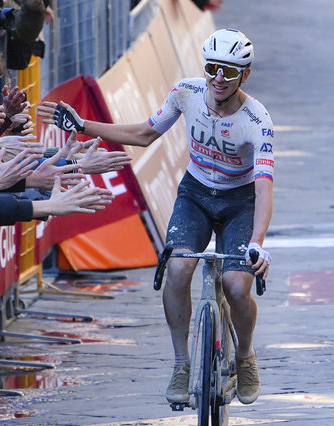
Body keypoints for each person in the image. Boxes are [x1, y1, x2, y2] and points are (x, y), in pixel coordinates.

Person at [38, 28, 274, 405]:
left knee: (235, 284)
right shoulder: (187, 92)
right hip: (195, 194)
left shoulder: (257, 120)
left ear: (245, 75)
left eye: (229, 72)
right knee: (178, 271)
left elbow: (263, 187)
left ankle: (245, 354)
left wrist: (258, 243)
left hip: (239, 201)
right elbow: (144, 134)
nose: (217, 78)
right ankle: (181, 365)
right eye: (212, 67)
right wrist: (82, 125)